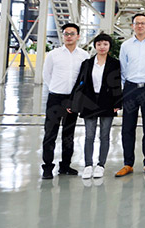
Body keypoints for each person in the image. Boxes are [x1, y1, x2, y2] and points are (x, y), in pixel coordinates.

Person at [69, 32, 122, 179]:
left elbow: (117, 83)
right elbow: (79, 83)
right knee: (89, 135)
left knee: (104, 135)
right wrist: (72, 101)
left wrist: (117, 102)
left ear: (109, 46)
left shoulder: (115, 63)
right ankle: (88, 165)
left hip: (107, 102)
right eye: (99, 44)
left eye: (105, 44)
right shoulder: (87, 63)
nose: (102, 47)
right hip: (89, 102)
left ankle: (101, 165)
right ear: (95, 46)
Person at [116, 13, 145, 177]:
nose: (140, 26)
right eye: (137, 23)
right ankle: (128, 164)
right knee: (127, 127)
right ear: (133, 26)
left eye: (143, 23)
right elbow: (123, 68)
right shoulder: (126, 45)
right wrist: (128, 86)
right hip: (130, 88)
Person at [42, 22, 89, 179]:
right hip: (55, 98)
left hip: (73, 99)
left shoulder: (84, 55)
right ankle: (47, 167)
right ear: (62, 36)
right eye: (66, 34)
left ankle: (65, 166)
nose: (69, 37)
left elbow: (84, 79)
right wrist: (55, 89)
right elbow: (46, 75)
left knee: (68, 134)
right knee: (50, 133)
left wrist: (76, 98)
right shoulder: (53, 54)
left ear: (78, 36)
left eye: (72, 34)